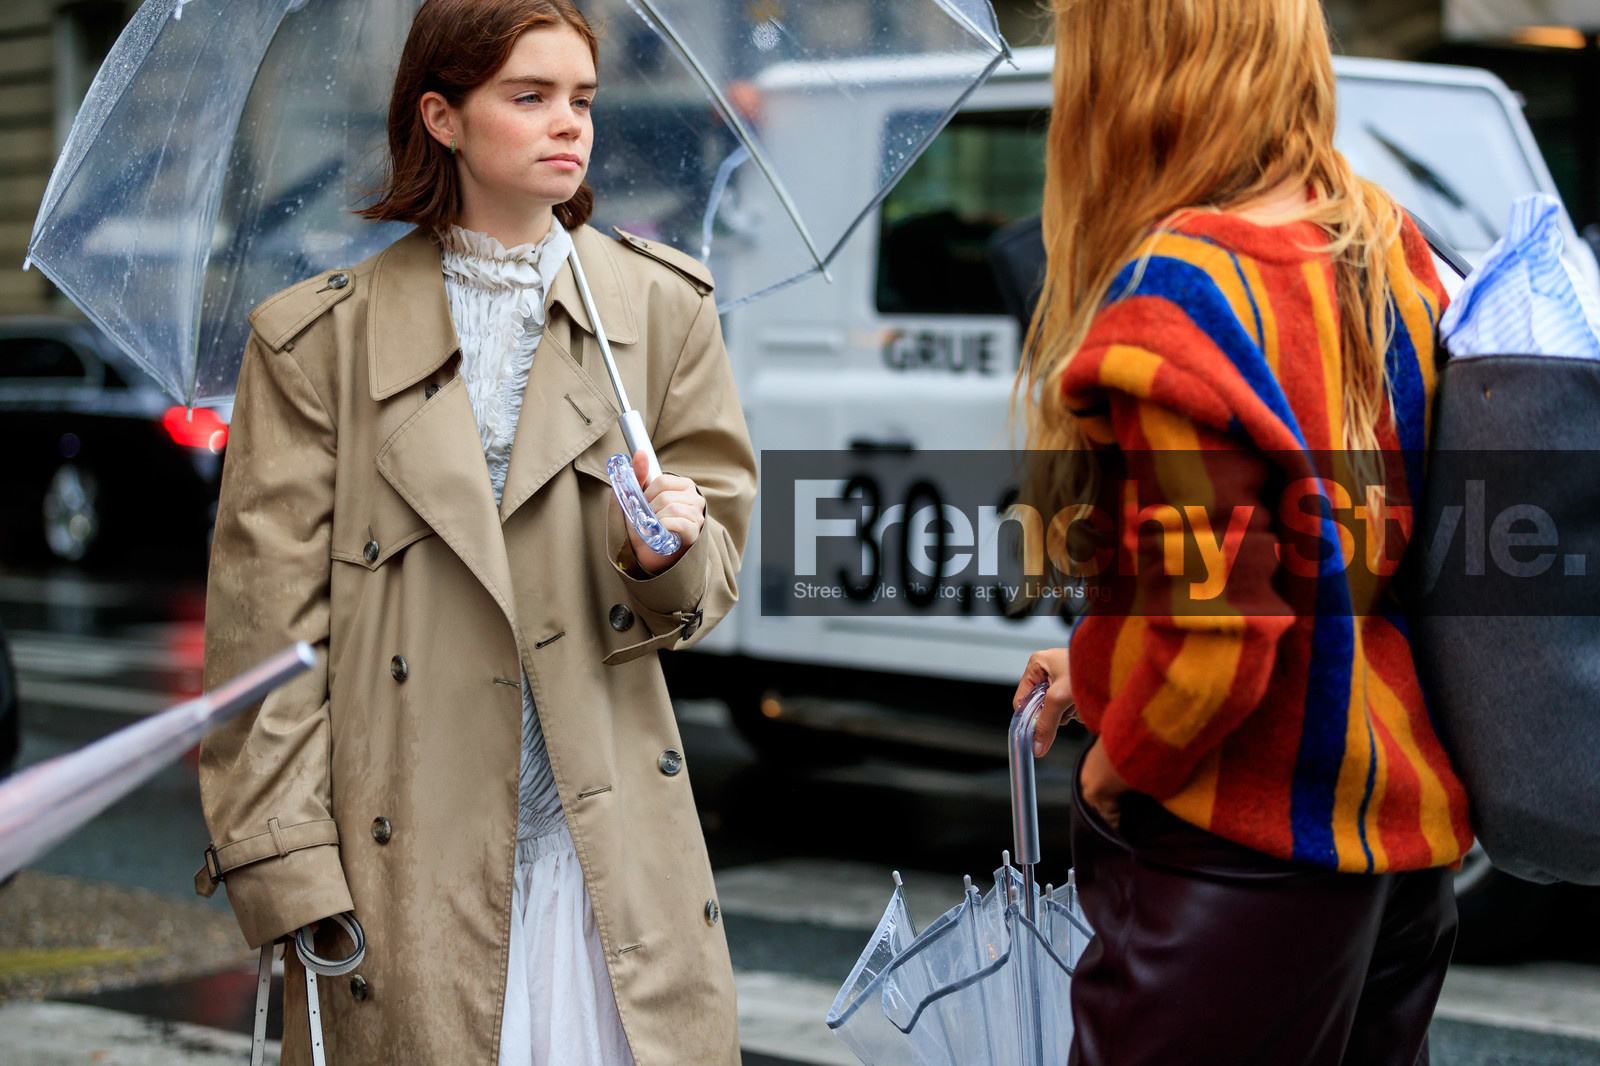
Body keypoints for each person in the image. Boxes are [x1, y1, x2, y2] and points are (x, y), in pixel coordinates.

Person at [195, 1, 755, 1062]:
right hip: (400, 866)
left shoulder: (662, 310)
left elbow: (705, 587)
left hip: (605, 868)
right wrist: (294, 883)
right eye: (529, 96)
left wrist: (664, 554)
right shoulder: (315, 342)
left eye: (581, 98)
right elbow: (267, 650)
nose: (570, 125)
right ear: (441, 117)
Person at [1012, 2, 1473, 1063]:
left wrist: (1118, 764)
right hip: (1394, 849)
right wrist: (1102, 660)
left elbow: (1219, 635)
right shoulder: (1380, 240)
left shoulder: (1177, 291)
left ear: (1130, 68)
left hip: (1237, 853)